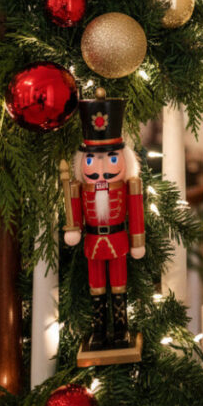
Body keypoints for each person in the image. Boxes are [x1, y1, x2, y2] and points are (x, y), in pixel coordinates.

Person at [64, 88, 145, 351]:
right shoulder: (80, 188)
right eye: (92, 160)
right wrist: (73, 227)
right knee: (96, 288)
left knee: (119, 286)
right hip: (93, 243)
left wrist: (137, 241)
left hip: (119, 240)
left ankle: (121, 329)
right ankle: (98, 330)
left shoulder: (128, 186)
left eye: (111, 159)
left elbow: (136, 212)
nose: (102, 170)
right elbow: (74, 210)